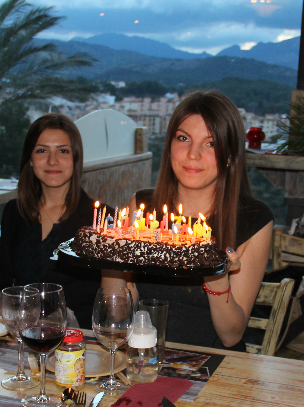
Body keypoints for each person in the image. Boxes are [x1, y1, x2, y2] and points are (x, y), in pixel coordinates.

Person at [103, 90, 274, 350]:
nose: (193, 154)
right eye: (183, 138)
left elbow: (231, 336)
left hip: (214, 363)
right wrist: (109, 256)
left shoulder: (254, 220)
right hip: (145, 357)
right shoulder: (143, 207)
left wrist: (215, 275)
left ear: (230, 156)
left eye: (211, 143)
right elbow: (118, 315)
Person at [0, 113, 106, 328]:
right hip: (19, 336)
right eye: (42, 151)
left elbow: (104, 306)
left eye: (63, 151)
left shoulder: (101, 220)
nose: (52, 161)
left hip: (77, 340)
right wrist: (10, 315)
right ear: (30, 159)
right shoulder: (14, 212)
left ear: (76, 159)